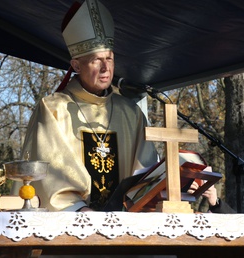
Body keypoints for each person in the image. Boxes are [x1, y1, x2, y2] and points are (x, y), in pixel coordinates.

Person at [12, 0, 158, 212]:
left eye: (109, 58)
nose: (106, 68)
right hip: (74, 224)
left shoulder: (130, 112)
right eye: (96, 60)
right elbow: (52, 170)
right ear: (76, 65)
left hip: (124, 224)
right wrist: (78, 209)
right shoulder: (54, 108)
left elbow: (145, 170)